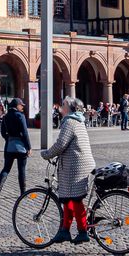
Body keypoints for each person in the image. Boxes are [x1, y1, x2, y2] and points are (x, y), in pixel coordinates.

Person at [40, 96, 97, 245]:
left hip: (76, 167)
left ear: (69, 108)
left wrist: (46, 154)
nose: (61, 107)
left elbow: (60, 144)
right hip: (77, 165)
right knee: (69, 199)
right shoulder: (78, 120)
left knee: (76, 199)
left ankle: (83, 231)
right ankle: (65, 230)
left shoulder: (70, 122)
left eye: (63, 105)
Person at [0, 97, 32, 198]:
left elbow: (2, 132)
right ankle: (23, 193)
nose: (23, 107)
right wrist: (29, 147)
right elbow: (25, 132)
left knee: (6, 169)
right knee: (21, 170)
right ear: (17, 105)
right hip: (21, 147)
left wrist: (9, 138)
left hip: (9, 146)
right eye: (21, 105)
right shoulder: (20, 116)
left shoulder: (6, 117)